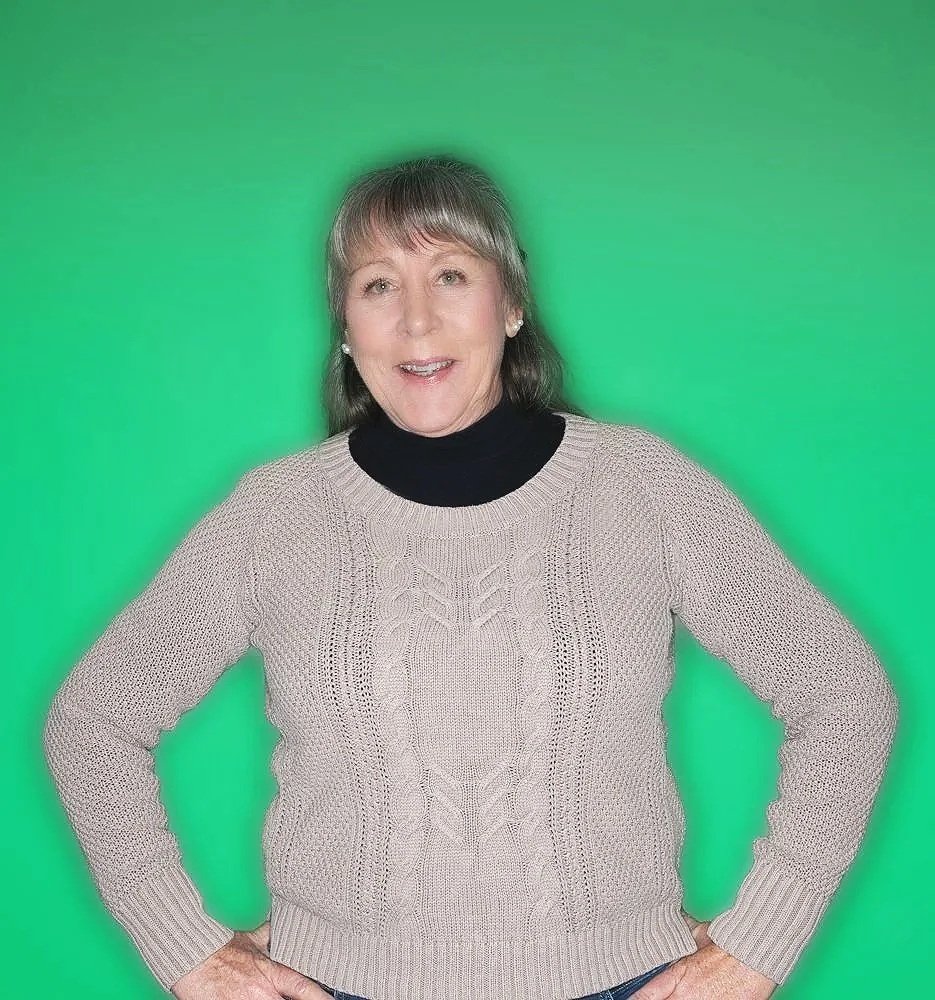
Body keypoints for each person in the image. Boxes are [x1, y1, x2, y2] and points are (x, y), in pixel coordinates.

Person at [43, 154, 899, 1000]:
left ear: (512, 304)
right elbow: (92, 723)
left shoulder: (641, 488)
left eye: (450, 274)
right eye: (378, 284)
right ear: (345, 324)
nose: (416, 320)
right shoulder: (276, 516)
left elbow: (844, 696)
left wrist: (759, 944)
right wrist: (185, 950)